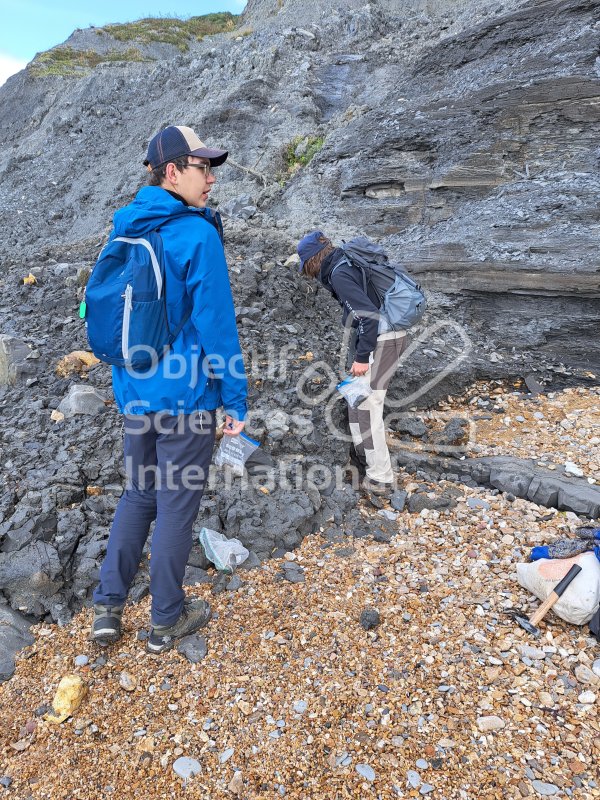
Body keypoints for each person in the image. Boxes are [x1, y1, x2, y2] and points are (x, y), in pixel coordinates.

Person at [92, 125, 247, 653]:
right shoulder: (195, 234)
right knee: (177, 507)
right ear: (172, 172)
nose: (211, 178)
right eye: (203, 167)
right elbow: (216, 325)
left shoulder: (123, 227)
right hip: (186, 400)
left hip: (136, 395)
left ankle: (107, 609)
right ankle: (165, 620)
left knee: (138, 497)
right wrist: (235, 399)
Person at [297, 231, 408, 495]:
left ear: (313, 260)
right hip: (380, 337)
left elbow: (368, 316)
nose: (308, 274)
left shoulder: (338, 273)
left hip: (384, 338)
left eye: (306, 267)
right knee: (356, 401)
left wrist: (360, 358)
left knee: (369, 405)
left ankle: (380, 478)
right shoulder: (343, 264)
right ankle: (363, 462)